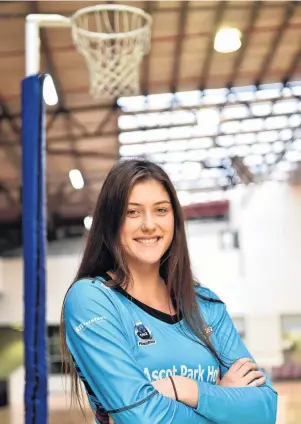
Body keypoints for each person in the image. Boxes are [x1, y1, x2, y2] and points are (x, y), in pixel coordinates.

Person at [60, 159, 278, 424]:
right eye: (133, 212)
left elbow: (264, 410)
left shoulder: (205, 304)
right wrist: (223, 400)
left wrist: (184, 388)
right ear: (110, 221)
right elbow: (143, 418)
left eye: (161, 210)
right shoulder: (92, 301)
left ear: (175, 219)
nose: (149, 224)